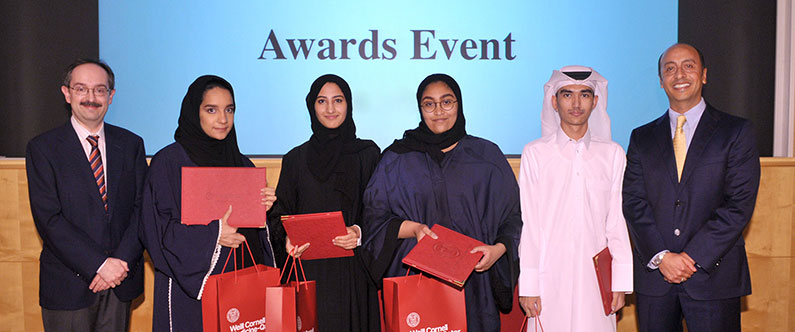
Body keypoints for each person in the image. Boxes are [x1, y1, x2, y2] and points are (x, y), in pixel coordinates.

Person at [362, 73, 522, 332]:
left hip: (474, 287)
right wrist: (413, 229)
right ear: (420, 108)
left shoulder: (487, 156)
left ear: (459, 104)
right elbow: (373, 220)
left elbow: (513, 217)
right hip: (418, 284)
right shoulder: (396, 159)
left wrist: (498, 251)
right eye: (429, 104)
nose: (438, 111)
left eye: (447, 102)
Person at [623, 43, 760, 332]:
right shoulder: (641, 138)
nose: (679, 74)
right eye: (669, 68)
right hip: (656, 280)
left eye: (688, 65)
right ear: (661, 81)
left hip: (714, 277)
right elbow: (634, 202)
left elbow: (738, 205)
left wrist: (689, 258)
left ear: (704, 75)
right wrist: (662, 257)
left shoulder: (735, 131)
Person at [138, 75, 277, 332]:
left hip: (238, 288)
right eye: (211, 110)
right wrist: (214, 235)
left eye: (229, 110)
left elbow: (257, 238)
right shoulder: (168, 162)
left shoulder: (242, 164)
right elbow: (155, 230)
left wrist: (263, 209)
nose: (222, 119)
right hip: (188, 291)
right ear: (194, 111)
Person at [26, 58, 146, 331]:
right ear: (67, 93)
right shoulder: (43, 148)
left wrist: (119, 264)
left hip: (120, 282)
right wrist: (99, 265)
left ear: (111, 96)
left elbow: (142, 210)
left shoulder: (131, 144)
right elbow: (49, 219)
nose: (91, 98)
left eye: (100, 90)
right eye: (81, 89)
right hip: (68, 286)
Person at [517, 66, 633, 331]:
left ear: (595, 101)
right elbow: (531, 225)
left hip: (596, 280)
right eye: (567, 95)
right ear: (554, 102)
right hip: (549, 278)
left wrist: (620, 282)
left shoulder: (613, 154)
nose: (576, 103)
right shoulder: (535, 154)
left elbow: (616, 222)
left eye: (585, 95)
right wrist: (530, 285)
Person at [267, 74, 382, 331]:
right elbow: (280, 212)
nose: (330, 109)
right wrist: (285, 238)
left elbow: (380, 210)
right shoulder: (295, 159)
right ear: (312, 106)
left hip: (355, 273)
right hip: (308, 273)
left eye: (338, 100)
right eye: (322, 101)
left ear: (349, 104)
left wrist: (359, 232)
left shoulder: (368, 154)